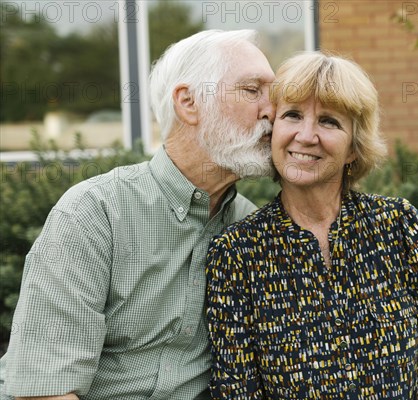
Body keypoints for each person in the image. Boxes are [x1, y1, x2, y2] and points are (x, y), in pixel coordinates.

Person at [0, 29, 275, 399]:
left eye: (274, 94)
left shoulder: (251, 227)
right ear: (188, 102)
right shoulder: (94, 214)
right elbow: (45, 392)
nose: (271, 110)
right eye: (252, 90)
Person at [206, 52, 418, 399]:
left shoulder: (398, 225)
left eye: (329, 121)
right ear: (273, 133)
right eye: (292, 115)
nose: (306, 135)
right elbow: (237, 390)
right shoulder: (237, 252)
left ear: (353, 149)